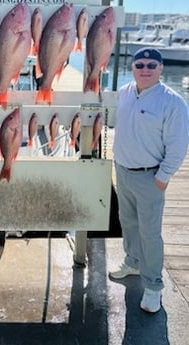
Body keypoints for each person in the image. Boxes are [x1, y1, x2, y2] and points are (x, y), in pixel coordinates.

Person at [110, 47, 189, 313]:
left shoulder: (173, 102)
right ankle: (132, 262)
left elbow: (178, 145)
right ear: (132, 68)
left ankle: (153, 286)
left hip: (150, 177)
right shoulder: (124, 92)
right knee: (128, 223)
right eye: (140, 64)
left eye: (151, 65)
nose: (145, 69)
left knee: (150, 233)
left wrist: (163, 177)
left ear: (160, 69)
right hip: (122, 171)